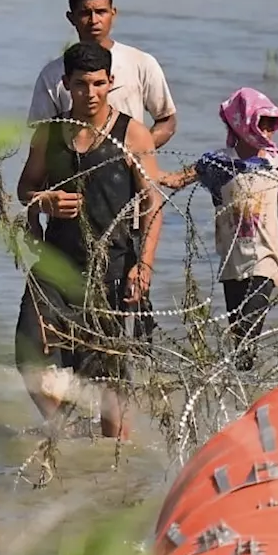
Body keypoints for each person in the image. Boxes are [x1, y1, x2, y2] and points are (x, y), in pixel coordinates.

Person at [14, 41, 164, 441]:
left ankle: (116, 466)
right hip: (54, 266)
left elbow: (153, 203)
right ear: (67, 84)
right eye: (81, 85)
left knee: (108, 379)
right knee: (30, 357)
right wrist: (45, 200)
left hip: (111, 269)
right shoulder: (51, 134)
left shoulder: (132, 134)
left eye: (99, 84)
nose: (91, 93)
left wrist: (143, 265)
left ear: (111, 82)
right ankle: (65, 429)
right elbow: (25, 189)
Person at [162, 88, 278, 370]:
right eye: (260, 122)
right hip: (232, 261)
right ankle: (247, 383)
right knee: (239, 335)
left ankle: (244, 380)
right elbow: (178, 179)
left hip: (266, 259)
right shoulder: (218, 164)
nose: (267, 129)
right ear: (242, 124)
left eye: (270, 123)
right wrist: (143, 168)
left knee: (249, 327)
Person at [27, 0, 178, 149]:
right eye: (85, 13)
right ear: (71, 18)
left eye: (101, 12)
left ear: (113, 13)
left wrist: (135, 153)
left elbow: (166, 120)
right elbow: (42, 134)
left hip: (128, 171)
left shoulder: (141, 63)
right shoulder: (52, 75)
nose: (94, 20)